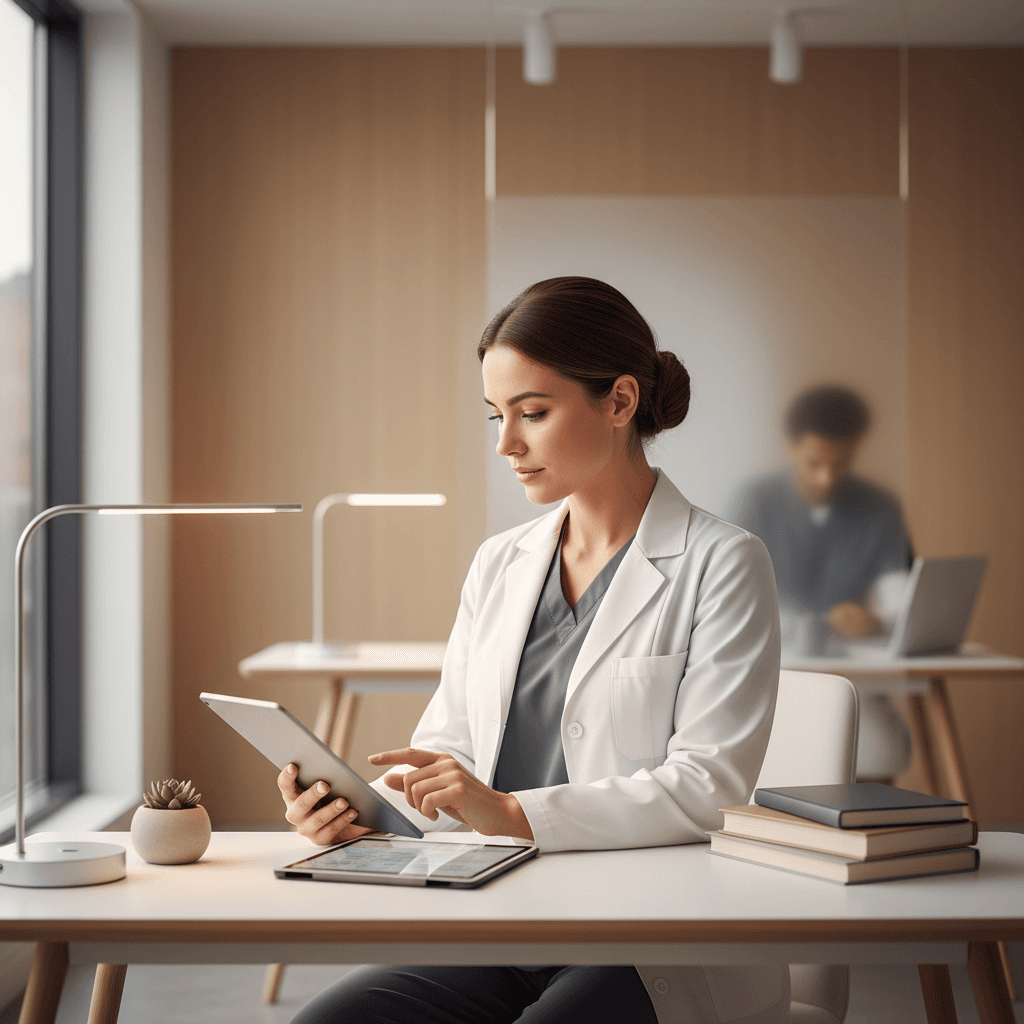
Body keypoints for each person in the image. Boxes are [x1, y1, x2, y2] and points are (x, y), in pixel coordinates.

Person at [279, 277, 787, 1024]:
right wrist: (360, 817)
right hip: (495, 917)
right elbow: (449, 750)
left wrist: (513, 811)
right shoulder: (500, 562)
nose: (506, 444)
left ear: (618, 402)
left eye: (533, 413)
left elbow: (709, 786)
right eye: (495, 416)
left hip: (639, 937)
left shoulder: (724, 561)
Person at [731, 385, 913, 646]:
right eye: (814, 463)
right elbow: (735, 592)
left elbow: (897, 595)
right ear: (791, 447)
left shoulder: (881, 508)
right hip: (771, 650)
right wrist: (818, 624)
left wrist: (875, 620)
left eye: (840, 463)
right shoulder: (755, 501)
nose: (826, 478)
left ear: (857, 448)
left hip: (855, 656)